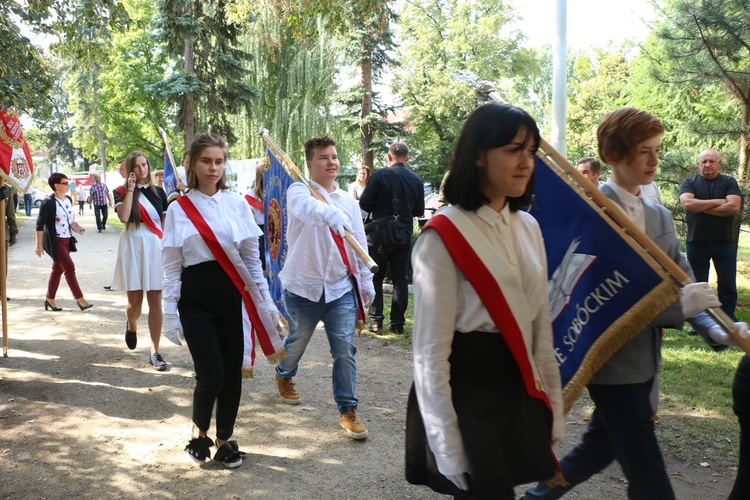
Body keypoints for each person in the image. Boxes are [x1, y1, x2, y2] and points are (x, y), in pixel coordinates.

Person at [524, 108, 736, 500]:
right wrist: (682, 308)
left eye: (657, 150)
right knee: (648, 473)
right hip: (608, 359)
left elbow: (682, 278)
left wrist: (716, 325)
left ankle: (536, 498)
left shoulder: (658, 214)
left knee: (598, 448)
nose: (654, 161)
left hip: (645, 360)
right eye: (643, 152)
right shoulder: (590, 212)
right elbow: (588, 291)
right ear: (613, 156)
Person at [406, 103, 564, 499]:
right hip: (467, 394)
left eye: (531, 151)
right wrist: (446, 445)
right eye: (513, 149)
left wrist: (554, 409)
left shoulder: (529, 227)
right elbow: (430, 353)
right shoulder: (441, 238)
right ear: (479, 155)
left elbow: (539, 327)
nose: (526, 162)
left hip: (515, 388)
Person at [162, 133, 284, 468]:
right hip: (196, 296)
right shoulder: (179, 209)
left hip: (234, 293)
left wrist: (267, 303)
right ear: (191, 163)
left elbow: (252, 261)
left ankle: (225, 440)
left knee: (232, 372)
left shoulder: (238, 204)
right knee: (211, 373)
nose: (213, 168)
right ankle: (198, 433)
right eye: (206, 161)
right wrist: (169, 312)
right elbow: (172, 265)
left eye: (218, 161)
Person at [273, 135, 375, 440]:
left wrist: (366, 284)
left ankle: (348, 410)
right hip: (303, 287)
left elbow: (359, 243)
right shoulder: (298, 192)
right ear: (309, 163)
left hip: (340, 288)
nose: (331, 162)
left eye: (334, 157)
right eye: (323, 158)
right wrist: (329, 214)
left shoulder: (348, 201)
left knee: (344, 349)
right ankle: (284, 374)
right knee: (297, 343)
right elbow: (308, 211)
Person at [359, 142, 424, 334]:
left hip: (379, 234)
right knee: (400, 279)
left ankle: (376, 321)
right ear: (408, 158)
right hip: (403, 234)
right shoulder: (416, 179)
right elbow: (419, 211)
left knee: (376, 277)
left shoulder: (379, 175)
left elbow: (364, 202)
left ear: (389, 157)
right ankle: (397, 324)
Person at [112, 151, 169, 371]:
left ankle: (155, 351)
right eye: (137, 166)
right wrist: (130, 189)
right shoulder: (119, 192)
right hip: (133, 245)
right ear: (130, 169)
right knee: (135, 303)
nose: (142, 169)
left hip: (155, 246)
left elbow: (164, 225)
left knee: (156, 299)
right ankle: (131, 322)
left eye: (145, 165)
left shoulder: (160, 193)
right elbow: (124, 217)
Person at [679, 149, 741, 320]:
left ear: (719, 163)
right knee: (698, 284)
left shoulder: (729, 182)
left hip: (724, 241)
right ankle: (699, 319)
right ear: (698, 164)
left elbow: (734, 207)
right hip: (696, 240)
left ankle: (728, 317)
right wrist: (719, 202)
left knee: (727, 283)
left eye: (712, 161)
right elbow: (687, 204)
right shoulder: (689, 183)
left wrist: (702, 208)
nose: (708, 165)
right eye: (704, 161)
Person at [33, 173, 92, 312]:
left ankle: (49, 299)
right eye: (65, 183)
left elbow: (68, 219)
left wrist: (75, 226)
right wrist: (39, 244)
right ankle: (80, 299)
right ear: (57, 186)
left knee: (57, 270)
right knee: (69, 267)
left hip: (67, 239)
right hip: (56, 241)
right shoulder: (48, 203)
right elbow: (39, 224)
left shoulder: (67, 200)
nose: (68, 184)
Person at [245, 161, 266, 270]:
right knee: (263, 267)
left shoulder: (277, 192)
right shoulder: (250, 196)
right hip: (260, 234)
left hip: (276, 233)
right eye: (264, 171)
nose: (266, 174)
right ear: (259, 174)